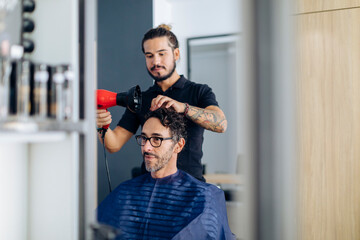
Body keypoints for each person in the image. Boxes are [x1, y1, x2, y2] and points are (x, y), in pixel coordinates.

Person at [96, 24, 227, 181]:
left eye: (161, 54)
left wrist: (183, 108)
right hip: (150, 187)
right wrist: (101, 125)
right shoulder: (140, 99)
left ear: (176, 54)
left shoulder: (199, 92)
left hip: (190, 189)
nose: (155, 61)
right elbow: (114, 144)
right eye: (149, 56)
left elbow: (221, 124)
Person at [97, 108, 235, 240]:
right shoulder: (125, 192)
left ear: (178, 145)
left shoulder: (202, 197)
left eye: (157, 139)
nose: (146, 147)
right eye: (144, 138)